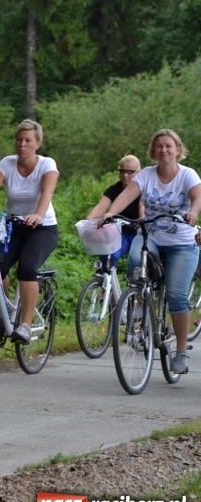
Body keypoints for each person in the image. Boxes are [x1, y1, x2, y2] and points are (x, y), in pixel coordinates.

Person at [103, 128, 201, 374]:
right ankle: (142, 298)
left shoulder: (187, 175)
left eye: (169, 146)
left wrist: (193, 212)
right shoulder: (146, 175)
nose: (164, 150)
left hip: (182, 241)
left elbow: (197, 197)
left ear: (178, 150)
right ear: (153, 151)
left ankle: (180, 351)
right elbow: (127, 195)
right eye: (159, 146)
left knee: (177, 295)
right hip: (152, 236)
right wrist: (111, 213)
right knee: (137, 259)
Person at [0, 119, 59, 345]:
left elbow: (47, 191)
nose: (22, 144)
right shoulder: (7, 163)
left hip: (42, 228)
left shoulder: (46, 164)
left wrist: (38, 214)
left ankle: (25, 323)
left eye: (28, 140)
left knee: (26, 267)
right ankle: (5, 313)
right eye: (19, 140)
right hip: (14, 227)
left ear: (38, 143)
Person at [86, 155, 143, 268]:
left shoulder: (143, 189)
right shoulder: (114, 189)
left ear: (138, 173)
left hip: (139, 233)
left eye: (130, 172)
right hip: (120, 232)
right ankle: (107, 281)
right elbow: (101, 207)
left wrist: (141, 219)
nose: (125, 175)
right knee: (108, 255)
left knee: (137, 262)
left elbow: (143, 206)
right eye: (122, 171)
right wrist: (87, 222)